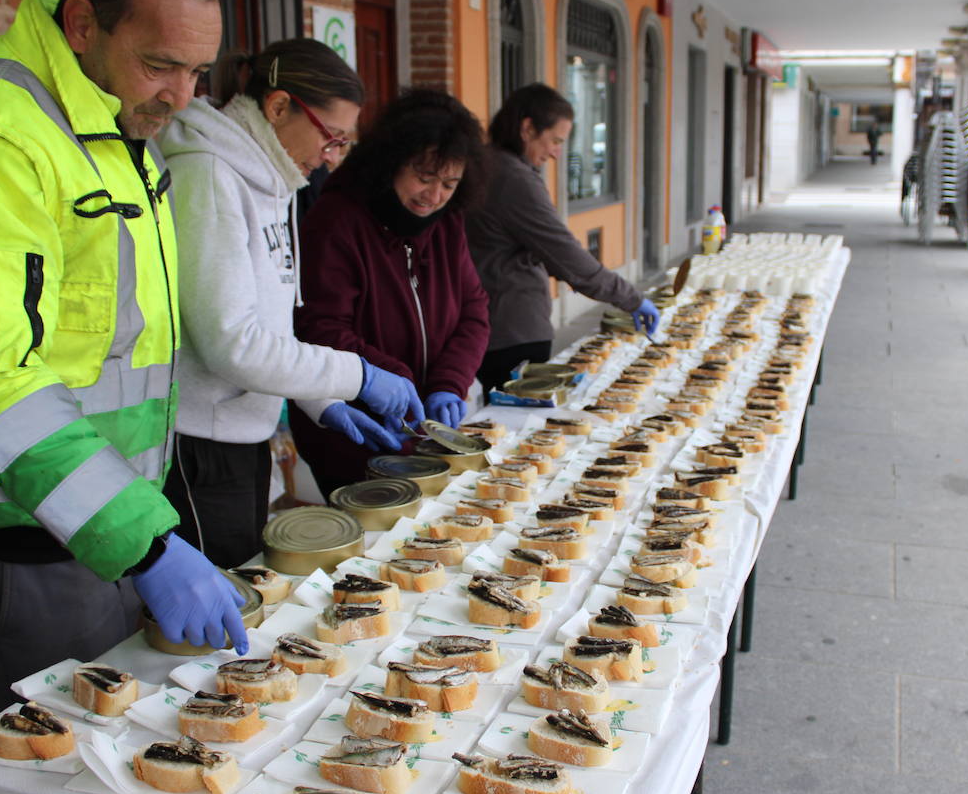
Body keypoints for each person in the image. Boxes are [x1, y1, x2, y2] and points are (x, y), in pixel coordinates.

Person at [0, 0, 250, 728]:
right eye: (160, 65)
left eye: (199, 73)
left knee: (118, 763)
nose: (181, 98)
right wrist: (147, 547)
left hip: (99, 523)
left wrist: (144, 525)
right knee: (51, 793)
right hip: (9, 538)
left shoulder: (110, 115)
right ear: (82, 25)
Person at [156, 40, 423, 568]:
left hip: (245, 433)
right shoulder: (210, 174)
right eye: (332, 138)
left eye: (344, 143)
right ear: (278, 107)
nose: (333, 157)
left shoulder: (273, 175)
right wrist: (358, 375)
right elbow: (231, 344)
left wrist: (320, 400)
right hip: (202, 442)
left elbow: (271, 326)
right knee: (230, 599)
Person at [292, 89, 491, 496]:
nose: (434, 196)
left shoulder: (447, 222)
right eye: (424, 177)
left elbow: (474, 310)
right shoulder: (336, 221)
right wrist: (393, 379)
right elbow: (320, 328)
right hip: (357, 432)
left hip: (427, 432)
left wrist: (449, 382)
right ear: (392, 162)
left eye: (450, 184)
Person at [466, 84, 660, 395]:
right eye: (555, 140)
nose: (557, 153)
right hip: (512, 330)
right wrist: (631, 299)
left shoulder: (491, 165)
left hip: (494, 323)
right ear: (528, 128)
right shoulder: (513, 179)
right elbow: (567, 256)